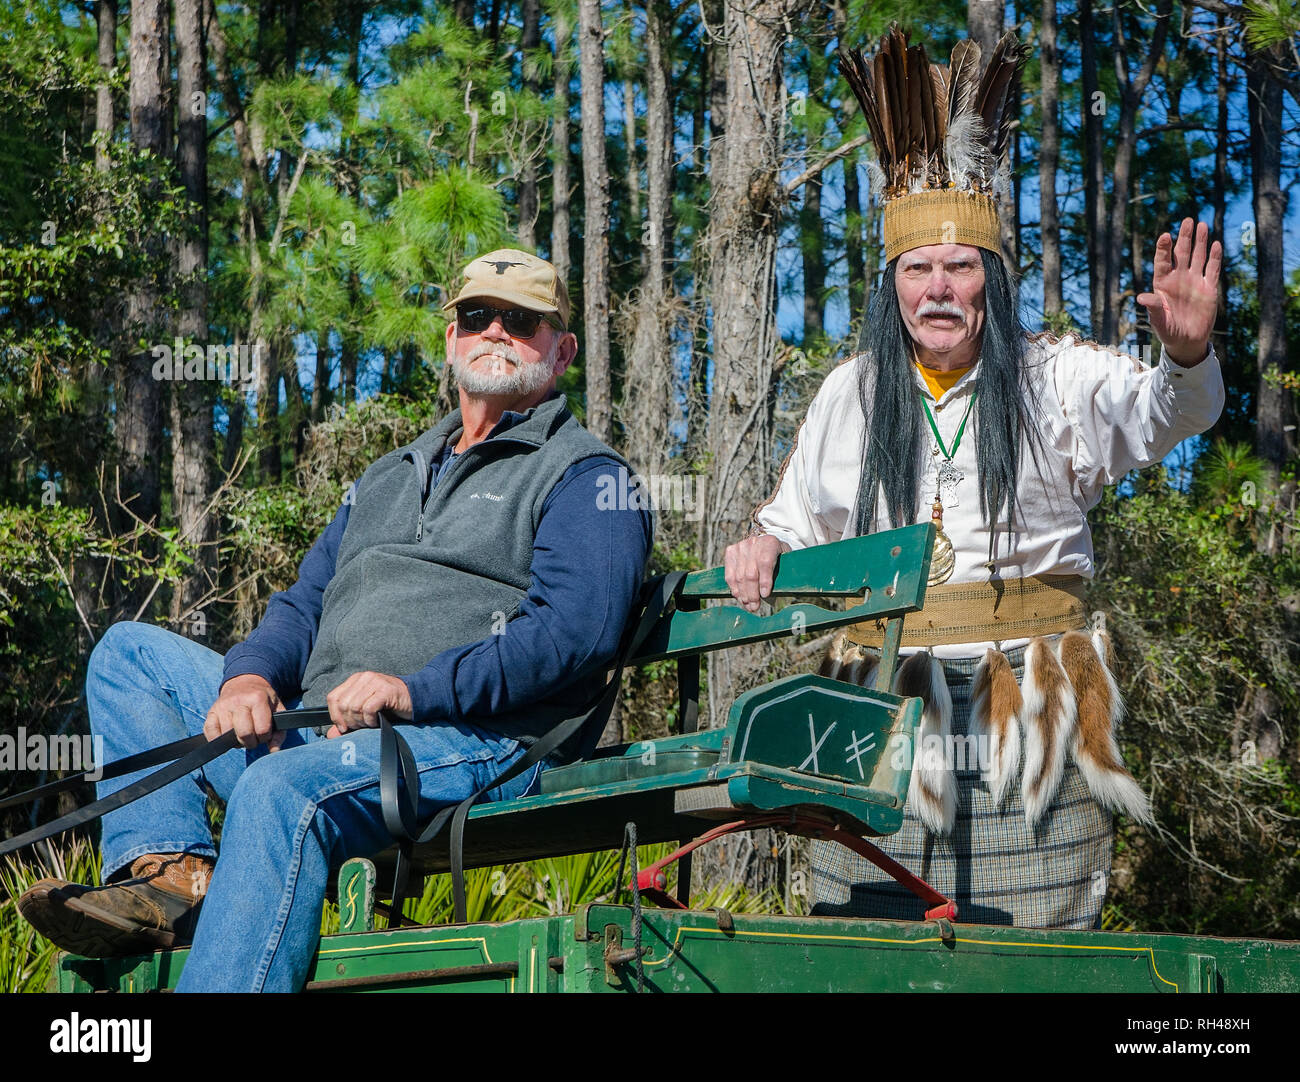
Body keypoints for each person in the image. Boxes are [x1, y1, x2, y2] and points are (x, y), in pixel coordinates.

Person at [17, 249, 653, 990]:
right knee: (130, 654)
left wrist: (412, 691)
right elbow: (301, 604)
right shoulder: (388, 476)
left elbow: (574, 634)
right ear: (451, 339)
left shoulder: (588, 476)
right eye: (478, 315)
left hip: (472, 742)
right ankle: (172, 878)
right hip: (320, 729)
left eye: (522, 320)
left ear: (562, 348)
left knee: (280, 791)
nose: (496, 332)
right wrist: (249, 679)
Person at [724, 27, 1224, 928]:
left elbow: (1167, 415)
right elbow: (796, 523)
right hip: (880, 702)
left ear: (991, 277)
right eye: (917, 268)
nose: (939, 287)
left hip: (1029, 701)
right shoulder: (854, 393)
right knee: (867, 938)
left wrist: (1186, 357)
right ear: (893, 287)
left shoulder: (1054, 377)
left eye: (960, 265)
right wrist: (765, 545)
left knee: (1032, 947)